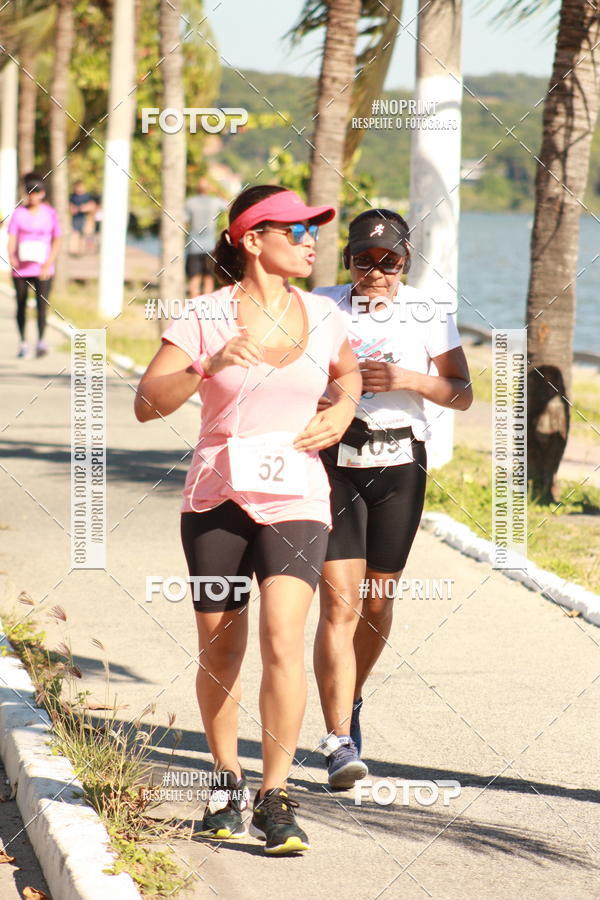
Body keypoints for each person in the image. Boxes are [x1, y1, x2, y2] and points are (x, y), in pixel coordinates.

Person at [135, 185, 360, 854]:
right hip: (217, 500)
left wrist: (343, 410)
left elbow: (347, 375)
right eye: (296, 230)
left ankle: (276, 795)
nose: (311, 241)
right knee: (221, 648)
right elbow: (147, 402)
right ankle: (226, 779)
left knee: (283, 638)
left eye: (313, 230)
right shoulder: (204, 315)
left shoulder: (324, 314)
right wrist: (206, 366)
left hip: (297, 497)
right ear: (253, 239)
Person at [313, 209, 473, 787]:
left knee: (377, 603)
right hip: (335, 462)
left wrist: (406, 379)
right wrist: (323, 395)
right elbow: (285, 376)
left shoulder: (428, 310)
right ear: (348, 259)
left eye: (389, 262)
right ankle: (338, 741)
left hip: (400, 463)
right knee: (340, 604)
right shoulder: (320, 306)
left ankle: (350, 698)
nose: (376, 272)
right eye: (364, 260)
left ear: (406, 262)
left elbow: (462, 392)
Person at [8, 173, 61, 358]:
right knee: (21, 304)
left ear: (42, 194)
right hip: (21, 268)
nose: (33, 196)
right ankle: (23, 342)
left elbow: (57, 239)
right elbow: (12, 237)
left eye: (36, 192)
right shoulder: (19, 213)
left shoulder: (50, 213)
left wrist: (49, 263)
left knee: (41, 305)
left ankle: (41, 341)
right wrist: (12, 257)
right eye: (30, 192)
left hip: (42, 268)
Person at [184, 176, 227, 296]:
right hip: (210, 246)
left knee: (194, 279)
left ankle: (194, 306)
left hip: (194, 246)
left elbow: (183, 220)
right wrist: (217, 190)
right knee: (209, 279)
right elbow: (228, 204)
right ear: (208, 188)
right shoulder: (215, 202)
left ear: (196, 189)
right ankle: (206, 307)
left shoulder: (190, 203)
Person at [69, 180, 95, 255]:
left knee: (85, 234)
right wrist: (73, 209)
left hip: (85, 218)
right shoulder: (72, 196)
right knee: (75, 234)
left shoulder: (88, 196)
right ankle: (75, 250)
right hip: (76, 218)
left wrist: (84, 208)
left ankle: (82, 250)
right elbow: (70, 206)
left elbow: (92, 206)